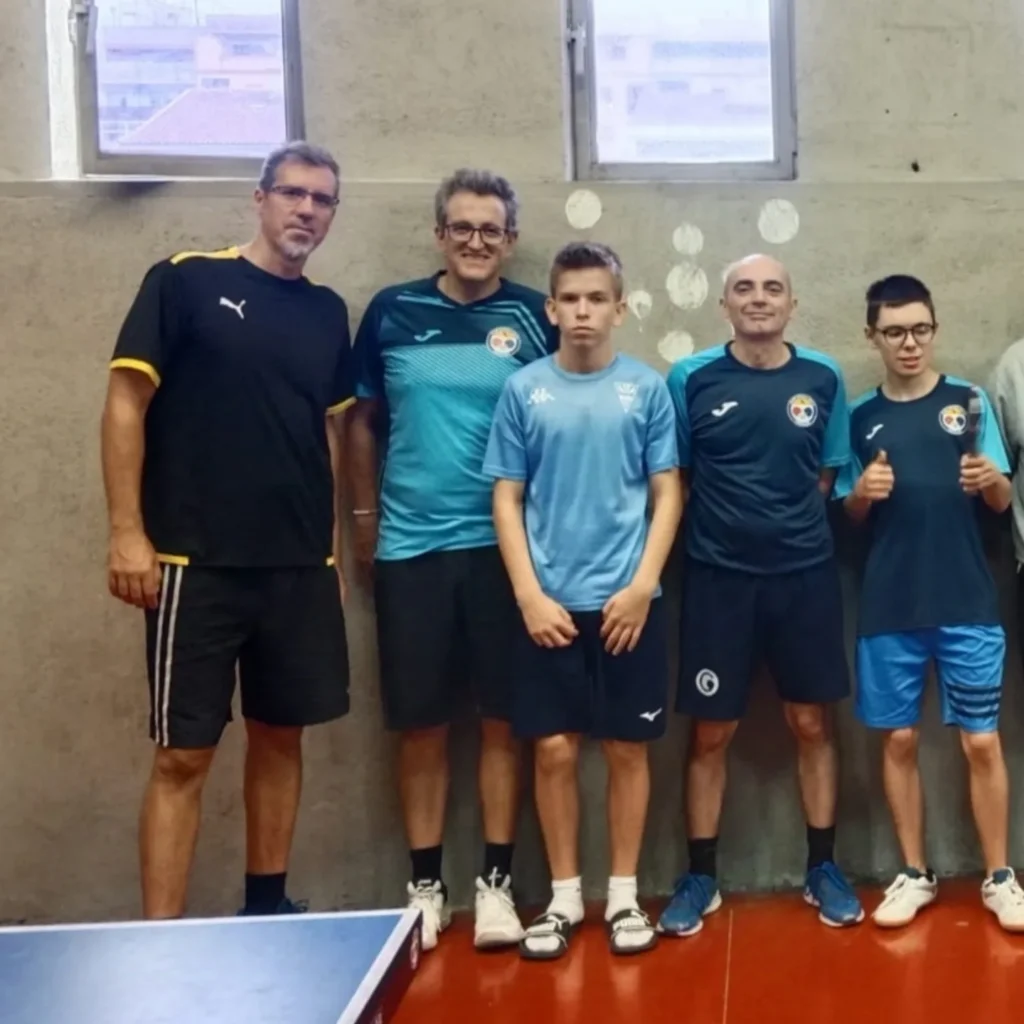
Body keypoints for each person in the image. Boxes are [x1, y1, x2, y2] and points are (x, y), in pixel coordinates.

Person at [100, 142, 352, 919]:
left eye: (322, 200)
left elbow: (328, 437)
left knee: (282, 737)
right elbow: (124, 403)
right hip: (193, 564)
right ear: (260, 198)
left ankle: (266, 907)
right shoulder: (184, 280)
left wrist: (332, 553)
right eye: (293, 193)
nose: (306, 210)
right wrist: (126, 533)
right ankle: (162, 938)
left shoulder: (327, 312)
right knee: (183, 756)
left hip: (298, 570)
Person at [347, 169, 558, 950]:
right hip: (411, 549)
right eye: (461, 227)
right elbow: (361, 421)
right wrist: (364, 520)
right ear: (440, 234)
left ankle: (496, 884)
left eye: (490, 229)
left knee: (502, 722)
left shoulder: (534, 316)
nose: (476, 241)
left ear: (509, 239)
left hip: (509, 557)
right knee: (423, 726)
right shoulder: (393, 311)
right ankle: (426, 888)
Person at [484, 241, 683, 960]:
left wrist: (641, 588)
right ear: (550, 308)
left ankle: (624, 896)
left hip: (629, 604)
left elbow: (668, 494)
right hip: (551, 608)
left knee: (627, 749)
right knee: (555, 750)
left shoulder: (647, 390)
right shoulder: (523, 390)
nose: (582, 311)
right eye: (569, 299)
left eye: (597, 298)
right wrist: (529, 596)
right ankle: (565, 897)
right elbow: (506, 498)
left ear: (619, 309)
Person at [660, 253, 863, 936]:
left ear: (791, 303)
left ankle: (823, 868)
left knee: (812, 724)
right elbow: (677, 478)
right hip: (717, 581)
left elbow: (825, 475)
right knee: (711, 732)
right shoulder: (690, 378)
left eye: (772, 288)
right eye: (743, 289)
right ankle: (700, 876)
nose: (758, 298)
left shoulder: (823, 376)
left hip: (805, 577)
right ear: (724, 305)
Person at [837, 275, 1024, 930]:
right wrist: (863, 493)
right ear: (873, 337)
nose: (909, 343)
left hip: (966, 599)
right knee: (898, 738)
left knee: (981, 741)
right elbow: (847, 514)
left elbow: (1002, 501)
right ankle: (915, 872)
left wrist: (992, 480)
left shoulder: (968, 401)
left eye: (920, 329)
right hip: (890, 604)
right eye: (894, 332)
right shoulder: (858, 417)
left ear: (934, 329)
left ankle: (1000, 877)